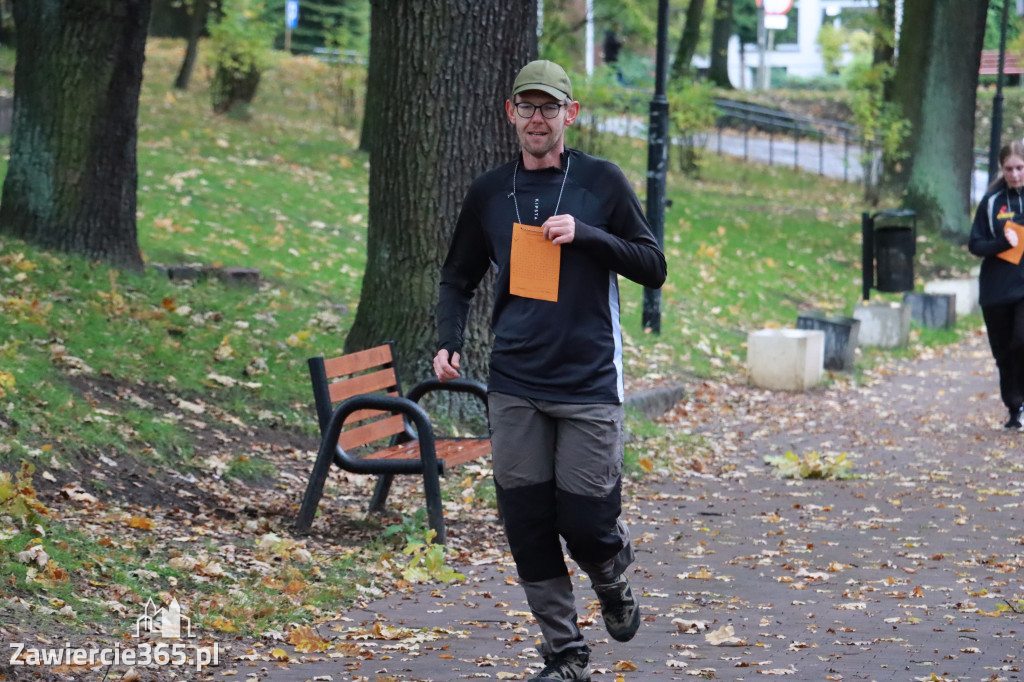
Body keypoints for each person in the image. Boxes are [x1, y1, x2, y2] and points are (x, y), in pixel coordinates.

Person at [433, 60, 667, 681]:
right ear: (511, 113)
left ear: (572, 114)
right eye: (528, 107)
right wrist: (447, 341)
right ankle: (566, 655)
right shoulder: (490, 191)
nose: (539, 119)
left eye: (550, 107)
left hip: (588, 381)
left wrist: (588, 235)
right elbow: (457, 277)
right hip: (515, 383)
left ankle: (612, 573)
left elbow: (652, 265)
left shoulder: (602, 182)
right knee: (528, 524)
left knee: (585, 522)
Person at [969, 139, 1024, 430]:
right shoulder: (992, 202)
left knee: (1022, 340)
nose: (1015, 174)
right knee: (1004, 353)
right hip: (996, 290)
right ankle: (1014, 408)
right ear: (1002, 170)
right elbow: (975, 244)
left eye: (1020, 168)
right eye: (1009, 169)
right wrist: (1001, 243)